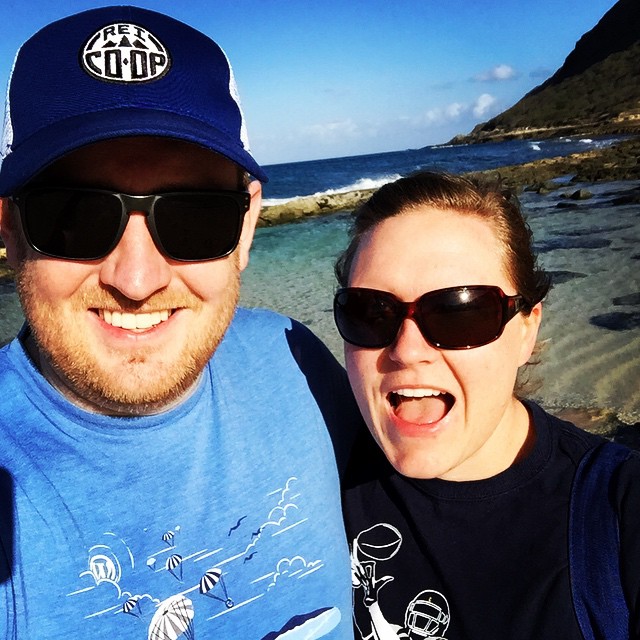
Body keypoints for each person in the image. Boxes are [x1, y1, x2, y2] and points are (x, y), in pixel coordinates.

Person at [0, 6, 360, 639]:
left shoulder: (295, 359)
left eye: (195, 216)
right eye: (73, 216)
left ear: (247, 225)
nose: (136, 281)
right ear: (8, 228)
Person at [332, 171, 640, 639]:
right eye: (371, 312)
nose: (407, 349)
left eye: (460, 311)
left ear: (526, 330)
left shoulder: (618, 510)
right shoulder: (313, 477)